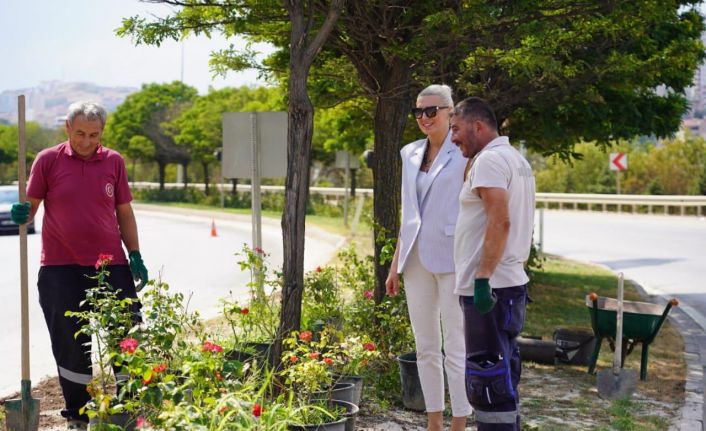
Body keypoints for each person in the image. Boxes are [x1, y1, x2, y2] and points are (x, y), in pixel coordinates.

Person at [10, 101, 149, 431]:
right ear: (67, 129)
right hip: (60, 269)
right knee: (71, 346)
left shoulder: (113, 161)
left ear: (103, 132)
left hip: (110, 267)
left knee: (126, 338)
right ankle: (77, 416)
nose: (87, 141)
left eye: (94, 134)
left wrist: (135, 254)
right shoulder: (48, 160)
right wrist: (22, 214)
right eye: (80, 134)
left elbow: (124, 212)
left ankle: (127, 409)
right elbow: (31, 208)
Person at [386, 84, 472, 431]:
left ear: (451, 112)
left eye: (431, 111)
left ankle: (460, 421)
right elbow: (410, 214)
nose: (424, 118)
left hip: (454, 257)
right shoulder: (409, 153)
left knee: (456, 345)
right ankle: (434, 421)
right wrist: (395, 264)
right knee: (425, 346)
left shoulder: (465, 153)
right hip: (415, 259)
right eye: (418, 112)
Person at [450, 97, 535, 430]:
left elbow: (500, 220)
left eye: (456, 129)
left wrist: (482, 278)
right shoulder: (515, 159)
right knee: (503, 371)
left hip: (491, 288)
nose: (453, 138)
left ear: (478, 126)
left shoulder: (489, 161)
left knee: (487, 381)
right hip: (510, 284)